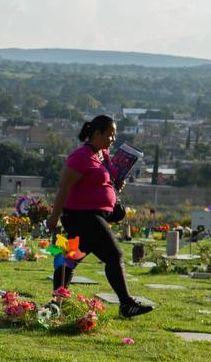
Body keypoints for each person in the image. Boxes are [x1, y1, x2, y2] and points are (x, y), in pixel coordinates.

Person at [46, 115, 153, 318]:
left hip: (94, 216)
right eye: (110, 134)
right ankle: (126, 304)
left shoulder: (102, 155)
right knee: (114, 255)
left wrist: (115, 187)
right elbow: (64, 188)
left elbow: (102, 182)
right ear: (97, 134)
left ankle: (56, 303)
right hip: (83, 217)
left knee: (70, 259)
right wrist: (54, 217)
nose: (113, 139)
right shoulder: (80, 157)